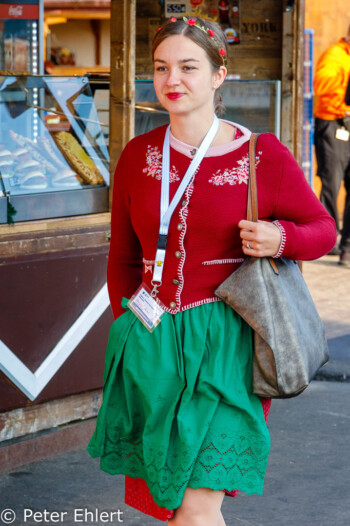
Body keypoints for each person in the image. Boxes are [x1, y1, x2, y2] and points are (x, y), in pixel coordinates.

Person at [87, 16, 336, 525]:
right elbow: (124, 258)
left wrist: (280, 238)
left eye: (188, 67)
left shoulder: (260, 154)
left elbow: (323, 229)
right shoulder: (136, 156)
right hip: (154, 346)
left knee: (200, 505)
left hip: (227, 346)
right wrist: (129, 329)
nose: (171, 80)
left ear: (220, 75)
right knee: (175, 505)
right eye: (161, 68)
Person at [314, 28, 350, 264]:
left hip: (345, 122)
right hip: (333, 124)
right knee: (331, 184)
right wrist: (343, 103)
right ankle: (327, 241)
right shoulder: (335, 56)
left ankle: (346, 246)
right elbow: (322, 86)